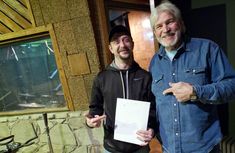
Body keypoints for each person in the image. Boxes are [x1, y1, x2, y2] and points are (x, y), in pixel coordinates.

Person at [149, 1, 235, 153]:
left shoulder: (208, 49)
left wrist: (196, 92)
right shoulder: (154, 62)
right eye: (159, 26)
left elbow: (231, 86)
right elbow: (157, 104)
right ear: (155, 33)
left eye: (170, 22)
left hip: (204, 148)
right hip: (169, 148)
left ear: (181, 24)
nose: (166, 29)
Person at [85, 25, 157, 153]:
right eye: (116, 42)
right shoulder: (102, 78)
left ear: (132, 44)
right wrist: (90, 122)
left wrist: (152, 129)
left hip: (140, 147)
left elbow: (153, 110)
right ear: (111, 48)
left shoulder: (145, 77)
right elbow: (95, 109)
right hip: (112, 148)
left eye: (126, 40)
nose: (122, 45)